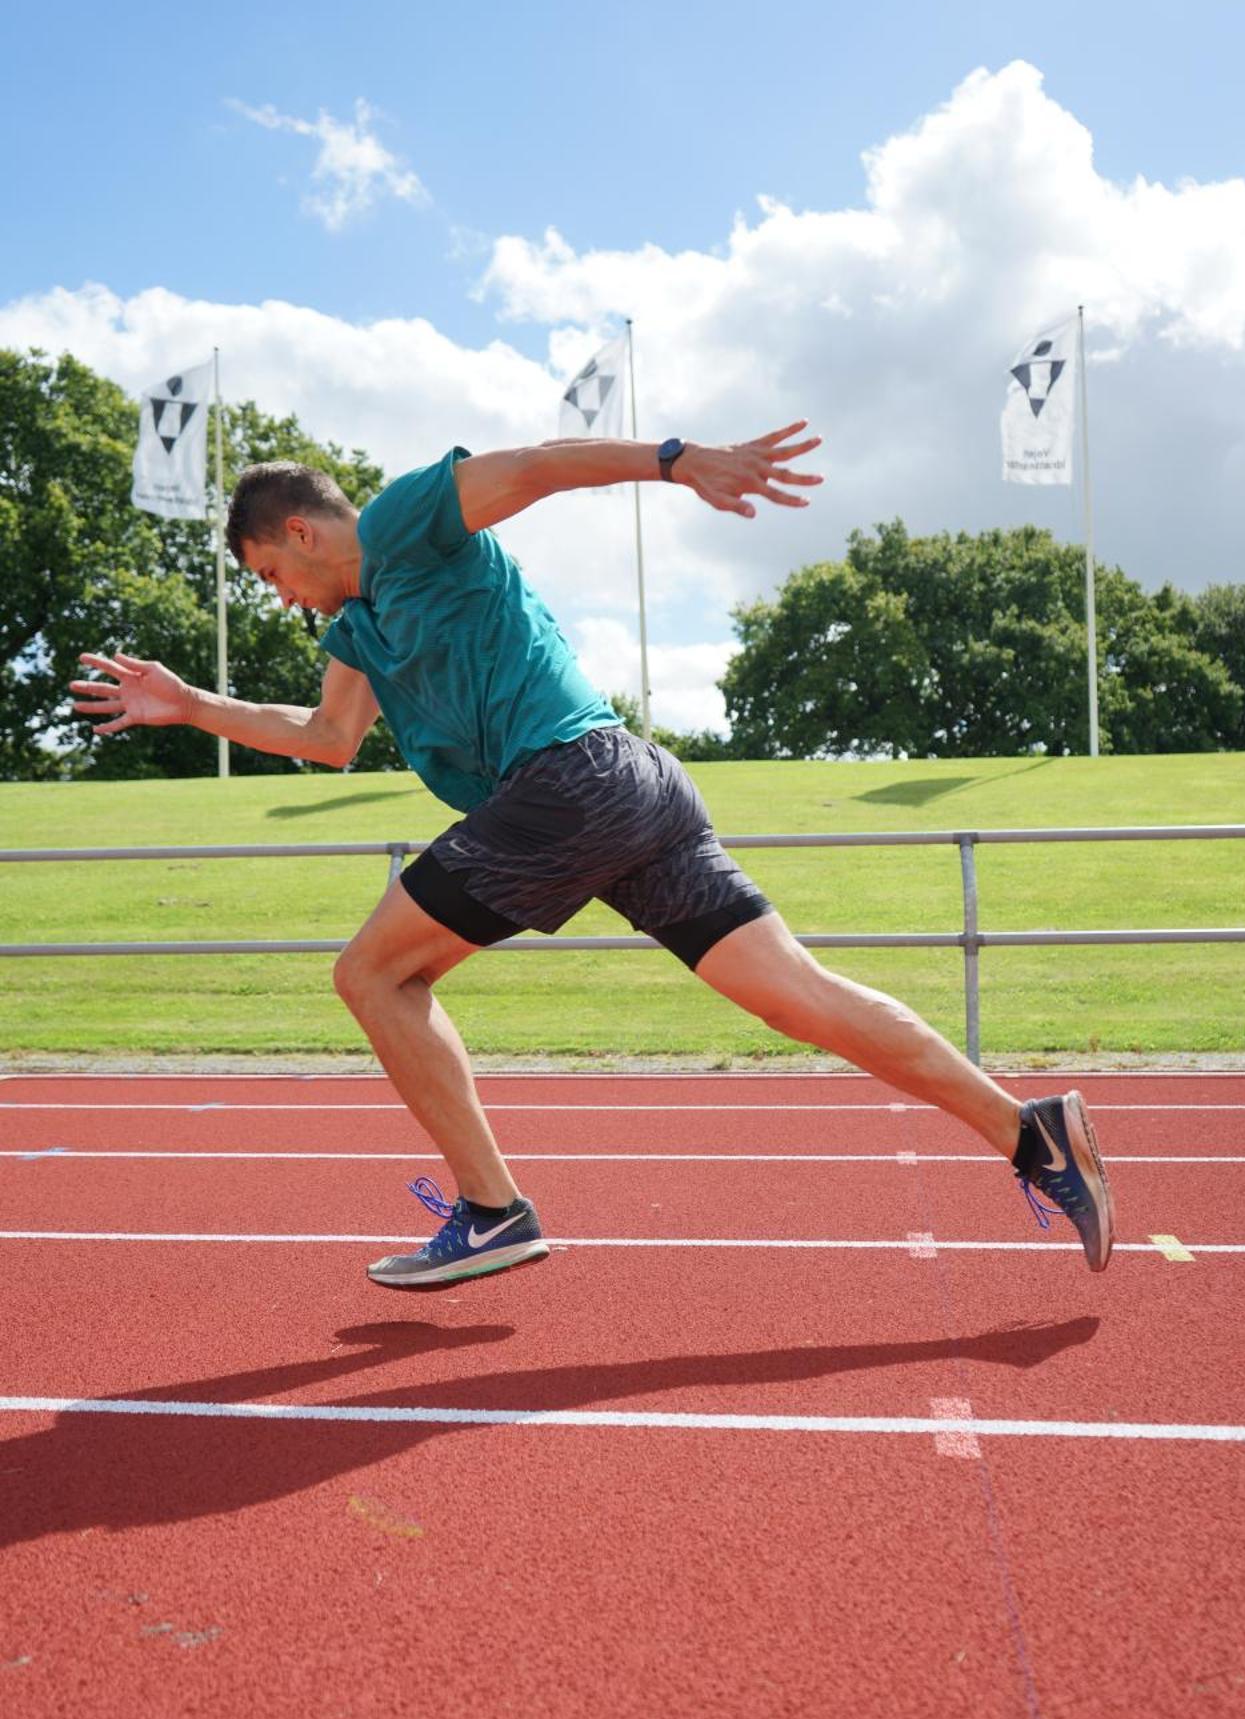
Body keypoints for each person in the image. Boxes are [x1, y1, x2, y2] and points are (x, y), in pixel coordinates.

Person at [72, 423, 1114, 1285]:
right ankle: (1031, 1130)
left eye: (270, 573)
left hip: (569, 784)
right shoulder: (358, 633)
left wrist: (676, 460)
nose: (281, 596)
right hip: (628, 792)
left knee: (373, 972)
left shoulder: (401, 522)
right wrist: (189, 703)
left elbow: (531, 469)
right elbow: (325, 737)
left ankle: (493, 1208)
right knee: (797, 995)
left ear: (299, 531)